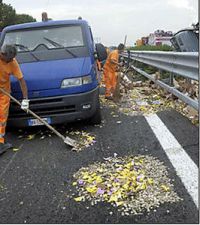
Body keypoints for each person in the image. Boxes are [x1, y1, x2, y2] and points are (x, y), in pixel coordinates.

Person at [0, 45, 29, 155]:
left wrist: (25, 99)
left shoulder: (13, 62)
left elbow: (21, 80)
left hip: (4, 93)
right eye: (10, 58)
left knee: (2, 117)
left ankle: (0, 143)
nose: (12, 60)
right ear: (2, 54)